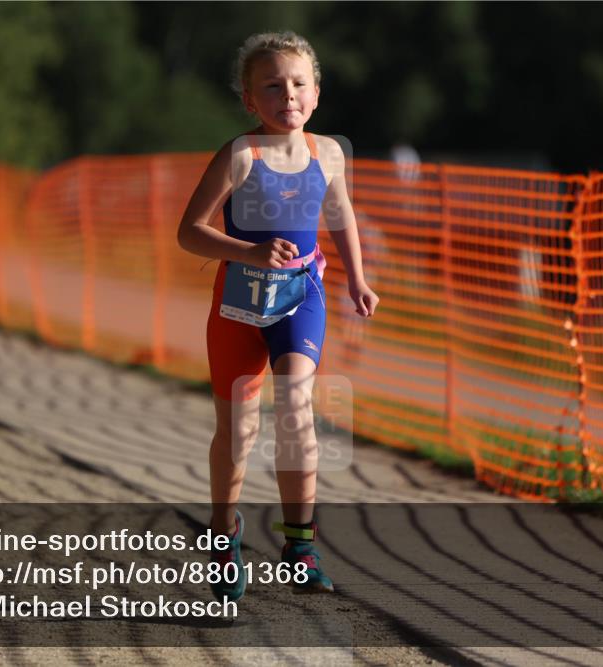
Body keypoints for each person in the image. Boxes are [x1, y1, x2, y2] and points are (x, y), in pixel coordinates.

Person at [177, 32, 378, 600]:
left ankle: (301, 547)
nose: (287, 95)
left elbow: (341, 215)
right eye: (272, 86)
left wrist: (357, 279)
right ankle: (224, 534)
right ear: (250, 100)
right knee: (238, 431)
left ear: (316, 94)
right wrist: (249, 252)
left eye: (297, 84)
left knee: (295, 409)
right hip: (239, 303)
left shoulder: (329, 153)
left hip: (301, 295)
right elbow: (189, 232)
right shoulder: (240, 155)